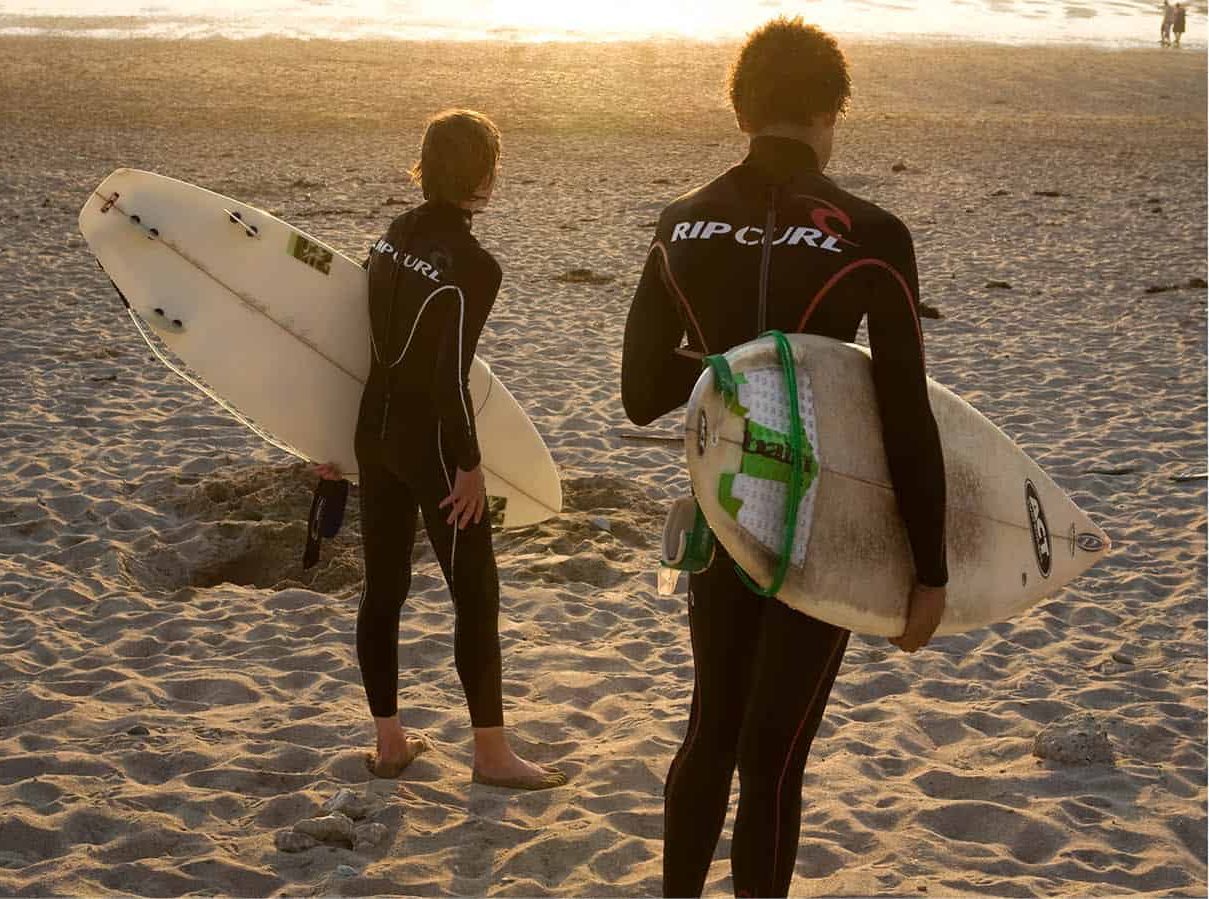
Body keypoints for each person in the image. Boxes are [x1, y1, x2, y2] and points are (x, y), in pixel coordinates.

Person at [621, 17, 948, 897]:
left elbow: (641, 393)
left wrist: (728, 362)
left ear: (741, 108)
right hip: (820, 522)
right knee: (774, 756)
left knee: (709, 733)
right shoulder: (875, 232)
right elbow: (904, 413)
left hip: (725, 509)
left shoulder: (679, 223)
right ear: (832, 110)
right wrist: (929, 567)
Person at [323, 109, 565, 791]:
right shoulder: (474, 267)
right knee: (475, 592)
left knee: (384, 588)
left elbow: (351, 340)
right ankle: (490, 755)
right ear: (483, 176)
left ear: (425, 167)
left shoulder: (389, 236)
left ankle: (391, 744)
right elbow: (447, 375)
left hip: (373, 433)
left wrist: (324, 435)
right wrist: (468, 464)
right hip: (430, 445)